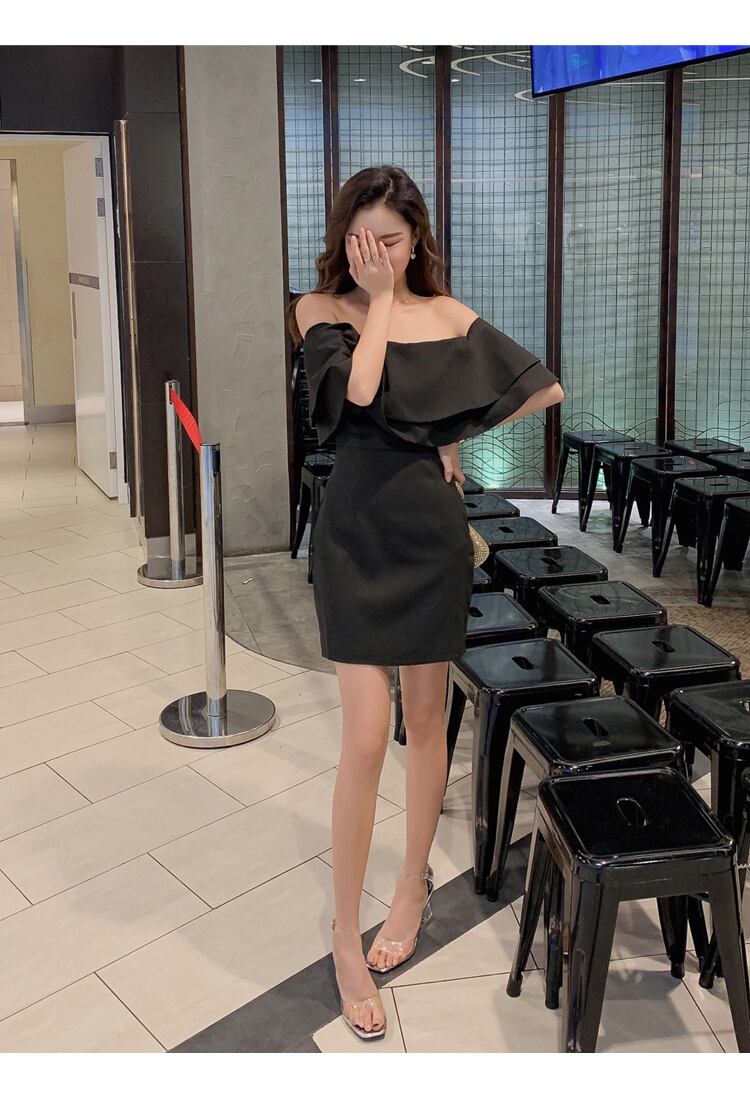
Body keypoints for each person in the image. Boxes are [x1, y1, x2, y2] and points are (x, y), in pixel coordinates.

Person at [288, 165, 564, 1042]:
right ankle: (345, 931)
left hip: (430, 538)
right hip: (354, 536)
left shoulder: (445, 314)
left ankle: (411, 884)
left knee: (429, 716)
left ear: (417, 242)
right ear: (344, 237)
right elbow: (357, 395)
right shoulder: (319, 308)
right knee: (368, 736)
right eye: (361, 238)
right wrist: (377, 301)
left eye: (391, 240)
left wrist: (450, 432)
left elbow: (542, 387)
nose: (374, 252)